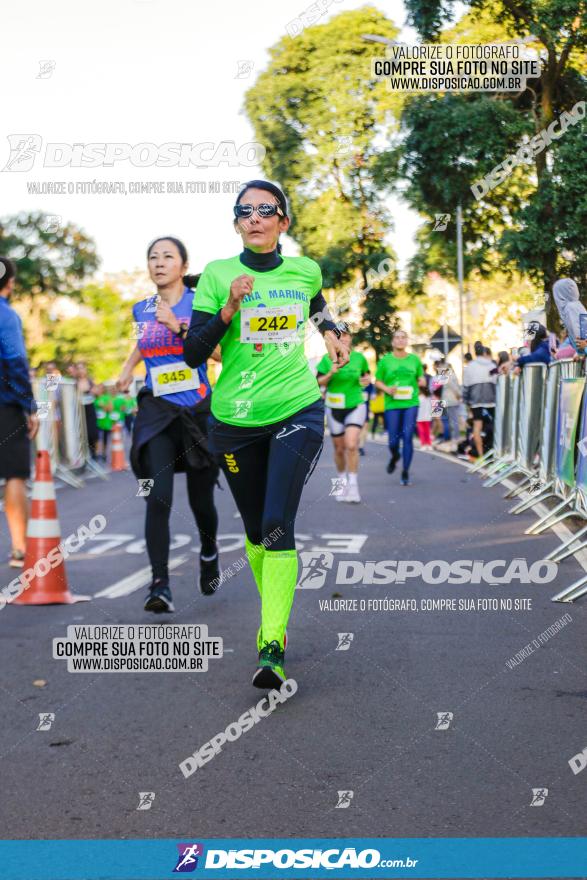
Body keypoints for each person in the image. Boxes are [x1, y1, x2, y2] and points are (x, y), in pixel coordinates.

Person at [183, 179, 348, 689]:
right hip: (234, 420)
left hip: (295, 408)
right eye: (244, 211)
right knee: (256, 531)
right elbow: (193, 353)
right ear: (237, 222)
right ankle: (272, 615)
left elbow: (316, 302)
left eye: (265, 210)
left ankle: (270, 642)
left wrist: (330, 331)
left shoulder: (303, 270)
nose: (254, 217)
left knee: (277, 522)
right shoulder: (216, 274)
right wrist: (230, 308)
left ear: (283, 221)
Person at [118, 237, 220, 613]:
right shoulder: (140, 309)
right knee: (157, 496)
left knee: (201, 501)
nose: (159, 263)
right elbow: (142, 342)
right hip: (157, 410)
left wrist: (179, 328)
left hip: (196, 410)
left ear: (183, 264)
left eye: (167, 257)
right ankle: (159, 584)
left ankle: (209, 550)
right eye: (153, 257)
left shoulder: (202, 304)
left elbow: (222, 353)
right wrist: (127, 369)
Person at [0, 257, 39, 567]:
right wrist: (30, 406)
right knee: (15, 474)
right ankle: (20, 549)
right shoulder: (6, 315)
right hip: (5, 407)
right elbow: (15, 362)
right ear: (10, 283)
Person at [315, 324, 370, 503]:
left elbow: (366, 378)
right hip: (333, 407)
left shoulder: (359, 358)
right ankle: (341, 482)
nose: (344, 339)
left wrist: (366, 380)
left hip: (355, 404)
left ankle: (353, 486)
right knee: (339, 449)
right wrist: (331, 372)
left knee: (351, 445)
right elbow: (319, 383)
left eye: (347, 336)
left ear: (351, 338)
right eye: (340, 336)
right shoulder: (325, 360)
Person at [375, 329, 426, 485]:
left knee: (408, 436)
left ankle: (405, 472)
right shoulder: (385, 361)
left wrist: (422, 382)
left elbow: (421, 378)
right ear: (393, 341)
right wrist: (387, 389)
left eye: (403, 337)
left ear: (407, 341)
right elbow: (377, 381)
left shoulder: (415, 360)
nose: (400, 340)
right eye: (397, 337)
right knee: (393, 440)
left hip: (411, 403)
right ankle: (395, 456)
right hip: (392, 403)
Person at [462, 340, 496, 459]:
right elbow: (497, 381)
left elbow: (465, 387)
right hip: (491, 400)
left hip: (475, 401)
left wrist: (466, 402)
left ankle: (480, 455)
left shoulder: (470, 367)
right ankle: (493, 453)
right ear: (485, 352)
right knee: (494, 426)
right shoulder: (492, 365)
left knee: (477, 427)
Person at [74, 361, 99, 458]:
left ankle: (94, 453)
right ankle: (84, 453)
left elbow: (97, 392)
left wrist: (94, 391)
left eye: (82, 368)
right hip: (80, 409)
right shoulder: (74, 382)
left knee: (93, 432)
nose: (81, 370)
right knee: (83, 432)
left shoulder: (90, 381)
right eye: (79, 368)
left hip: (90, 408)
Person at [94, 383, 113, 462]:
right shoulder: (94, 398)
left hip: (106, 422)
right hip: (97, 421)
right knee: (96, 438)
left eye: (100, 388)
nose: (98, 390)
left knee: (105, 438)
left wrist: (103, 406)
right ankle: (97, 453)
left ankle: (104, 453)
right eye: (98, 388)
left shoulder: (107, 397)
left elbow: (110, 409)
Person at [416, 384, 433, 449]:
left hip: (420, 417)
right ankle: (428, 444)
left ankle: (424, 444)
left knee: (422, 431)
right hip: (426, 417)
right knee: (426, 431)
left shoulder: (419, 398)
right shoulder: (428, 398)